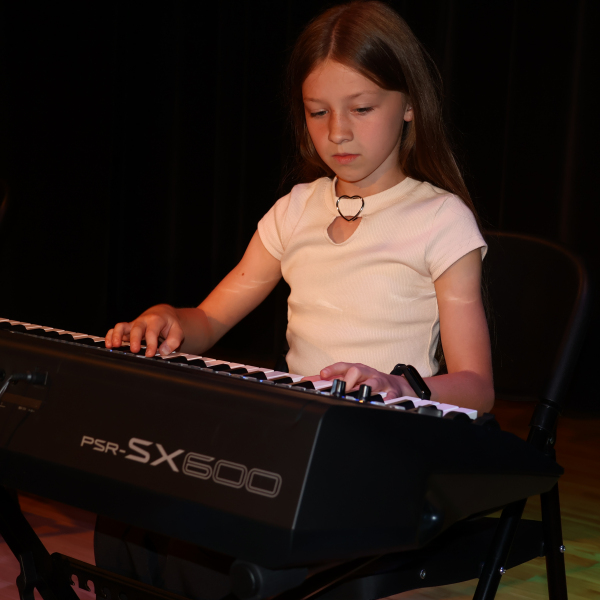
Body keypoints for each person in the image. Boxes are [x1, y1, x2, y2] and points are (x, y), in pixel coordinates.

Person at [105, 1, 493, 413]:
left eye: (361, 109)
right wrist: (169, 319)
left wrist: (397, 385)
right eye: (318, 112)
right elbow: (208, 321)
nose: (338, 132)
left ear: (410, 104)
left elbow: (477, 388)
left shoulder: (441, 220)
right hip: (302, 424)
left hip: (391, 430)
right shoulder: (294, 210)